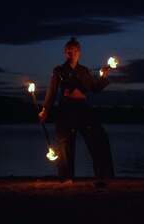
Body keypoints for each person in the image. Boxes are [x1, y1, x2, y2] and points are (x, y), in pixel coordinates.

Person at [38, 37, 115, 185]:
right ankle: (66, 178)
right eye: (68, 52)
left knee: (99, 137)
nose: (70, 54)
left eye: (73, 51)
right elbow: (52, 92)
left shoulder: (84, 71)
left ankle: (103, 175)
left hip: (83, 110)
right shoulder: (59, 71)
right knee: (65, 144)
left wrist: (104, 76)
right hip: (66, 110)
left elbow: (95, 88)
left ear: (79, 53)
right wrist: (45, 110)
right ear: (64, 53)